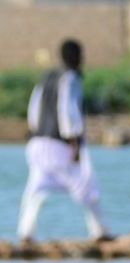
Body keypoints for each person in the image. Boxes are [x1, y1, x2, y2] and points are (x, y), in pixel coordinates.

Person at [17, 39, 111, 245]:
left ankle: (26, 234)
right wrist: (74, 141)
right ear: (76, 57)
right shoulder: (70, 78)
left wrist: (34, 130)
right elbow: (67, 109)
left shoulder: (46, 78)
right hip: (60, 144)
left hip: (38, 143)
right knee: (86, 182)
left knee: (36, 189)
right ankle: (100, 232)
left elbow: (34, 109)